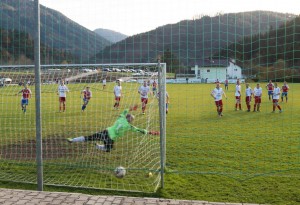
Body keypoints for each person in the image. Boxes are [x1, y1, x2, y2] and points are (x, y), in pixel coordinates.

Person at [66, 106, 148, 152]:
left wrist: (131, 108)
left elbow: (125, 110)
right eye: (132, 119)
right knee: (108, 149)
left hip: (105, 132)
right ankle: (98, 146)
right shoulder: (128, 126)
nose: (132, 120)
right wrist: (146, 131)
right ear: (129, 119)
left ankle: (72, 140)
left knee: (89, 138)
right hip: (110, 138)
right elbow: (138, 129)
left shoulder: (121, 117)